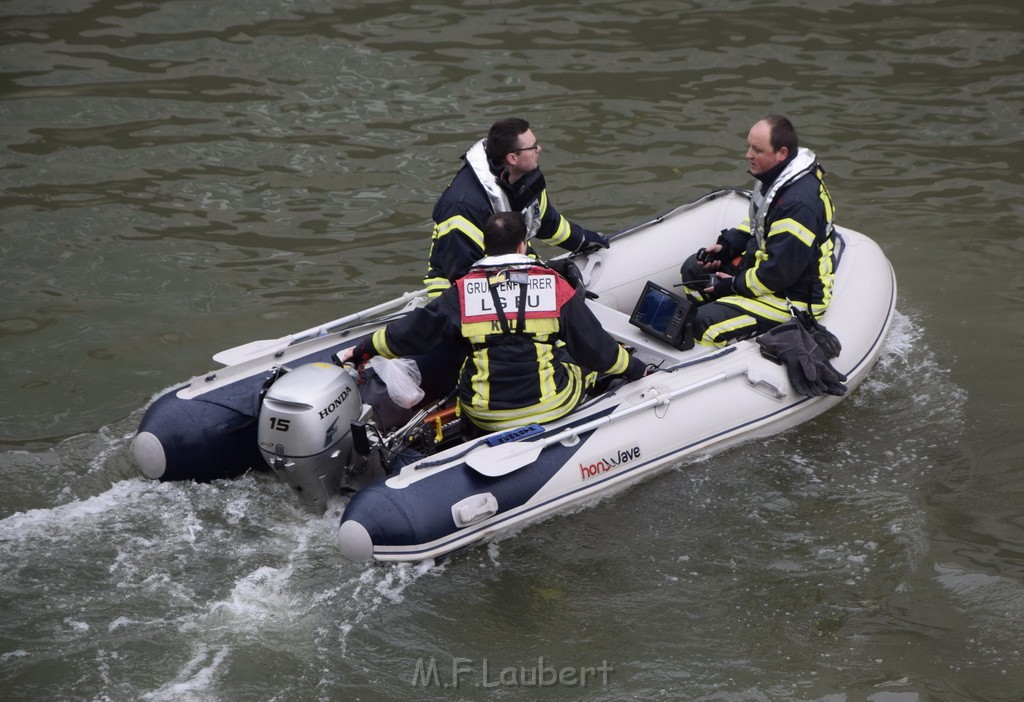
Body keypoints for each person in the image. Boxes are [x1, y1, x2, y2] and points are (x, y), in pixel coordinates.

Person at [340, 211, 647, 435]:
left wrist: (362, 349)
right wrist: (636, 370)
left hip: (484, 413)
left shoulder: (463, 291)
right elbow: (596, 348)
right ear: (523, 245)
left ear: (485, 246)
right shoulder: (553, 285)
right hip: (548, 405)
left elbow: (408, 334)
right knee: (579, 365)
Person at [680, 114, 837, 347]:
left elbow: (778, 273)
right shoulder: (775, 178)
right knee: (693, 269)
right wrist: (727, 246)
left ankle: (712, 338)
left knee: (704, 323)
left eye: (757, 150)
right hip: (767, 275)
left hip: (792, 297)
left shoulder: (797, 205)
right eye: (749, 147)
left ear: (781, 153)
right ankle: (717, 316)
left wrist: (733, 285)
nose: (748, 155)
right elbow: (757, 223)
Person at [423, 117, 610, 297]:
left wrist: (584, 240)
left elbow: (546, 223)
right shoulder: (463, 206)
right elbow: (465, 276)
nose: (539, 149)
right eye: (533, 147)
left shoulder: (525, 180)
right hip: (458, 292)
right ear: (512, 158)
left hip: (506, 268)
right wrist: (548, 284)